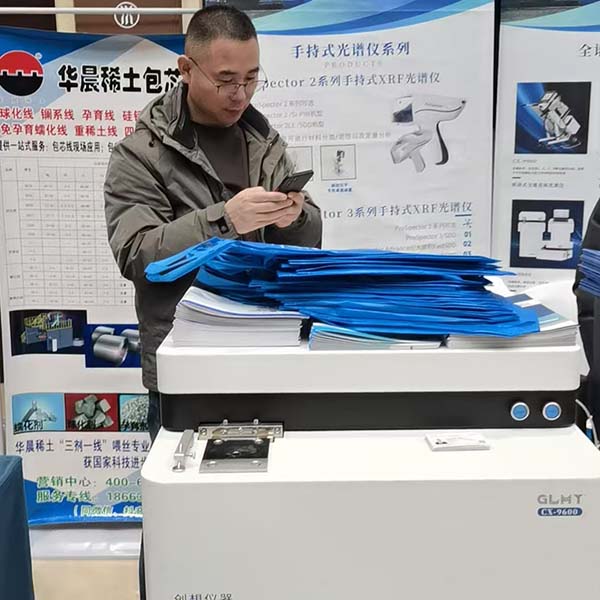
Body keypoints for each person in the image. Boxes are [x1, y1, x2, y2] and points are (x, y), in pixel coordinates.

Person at [104, 7, 322, 598]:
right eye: (226, 79)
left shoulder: (263, 140)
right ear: (185, 68)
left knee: (261, 514)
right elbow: (138, 255)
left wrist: (296, 217)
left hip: (267, 352)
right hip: (187, 364)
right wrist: (225, 218)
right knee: (179, 517)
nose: (239, 94)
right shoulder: (140, 155)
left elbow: (308, 242)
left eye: (251, 78)